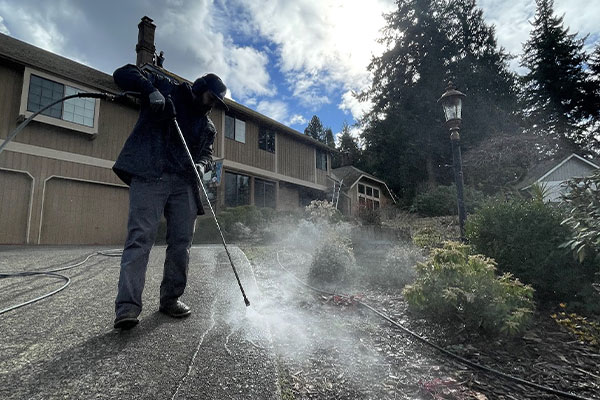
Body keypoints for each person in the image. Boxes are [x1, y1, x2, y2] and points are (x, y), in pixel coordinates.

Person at [111, 63, 228, 330]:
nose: (211, 106)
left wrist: (202, 165)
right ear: (200, 89)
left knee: (182, 243)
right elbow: (123, 73)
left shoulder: (208, 128)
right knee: (140, 238)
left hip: (184, 183)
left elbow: (207, 156)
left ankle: (171, 299)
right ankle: (127, 308)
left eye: (216, 103)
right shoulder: (167, 89)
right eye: (211, 98)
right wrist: (150, 90)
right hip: (151, 173)